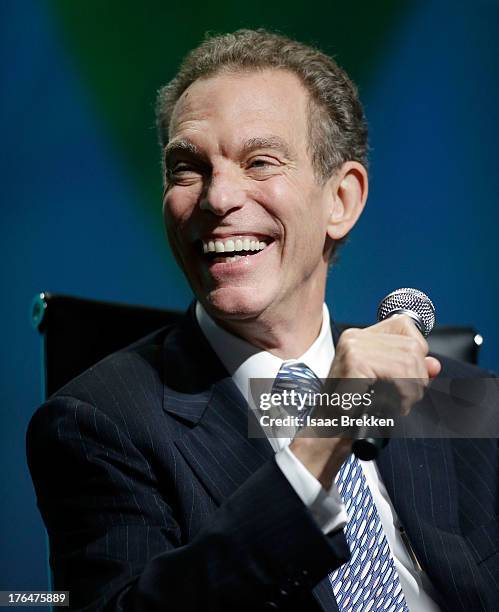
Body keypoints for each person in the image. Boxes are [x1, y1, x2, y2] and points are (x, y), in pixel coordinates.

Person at [27, 29, 498, 611]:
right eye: (187, 168)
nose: (218, 197)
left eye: (259, 162)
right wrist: (326, 431)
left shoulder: (459, 396)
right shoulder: (96, 426)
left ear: (341, 200)